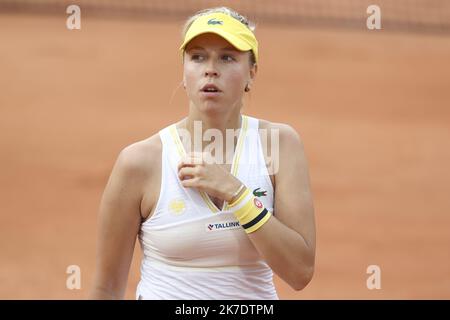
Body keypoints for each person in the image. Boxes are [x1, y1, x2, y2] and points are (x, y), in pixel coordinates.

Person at [89, 6, 315, 300]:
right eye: (198, 56)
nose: (211, 68)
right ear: (184, 72)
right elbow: (106, 288)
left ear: (252, 73)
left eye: (227, 57)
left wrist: (238, 194)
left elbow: (300, 271)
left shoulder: (280, 145)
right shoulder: (139, 162)